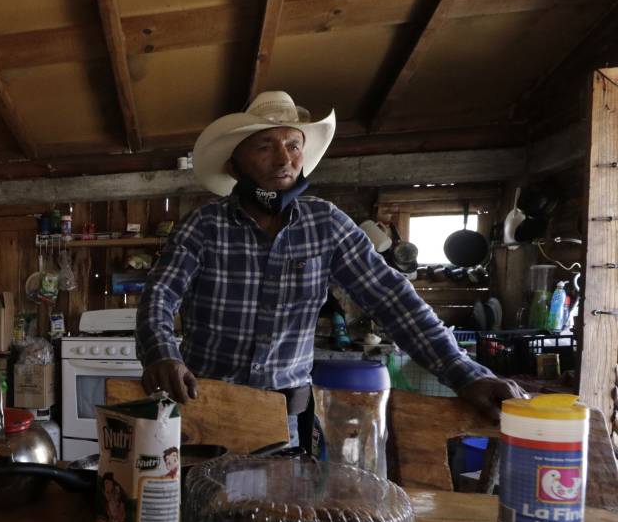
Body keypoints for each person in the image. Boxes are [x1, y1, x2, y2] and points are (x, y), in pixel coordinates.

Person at [137, 91, 524, 440]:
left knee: (278, 517)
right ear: (236, 164)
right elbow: (160, 294)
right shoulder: (204, 225)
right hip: (203, 410)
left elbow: (394, 300)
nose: (284, 158)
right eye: (265, 147)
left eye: (293, 145)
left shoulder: (326, 224)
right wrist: (161, 353)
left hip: (283, 420)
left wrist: (465, 372)